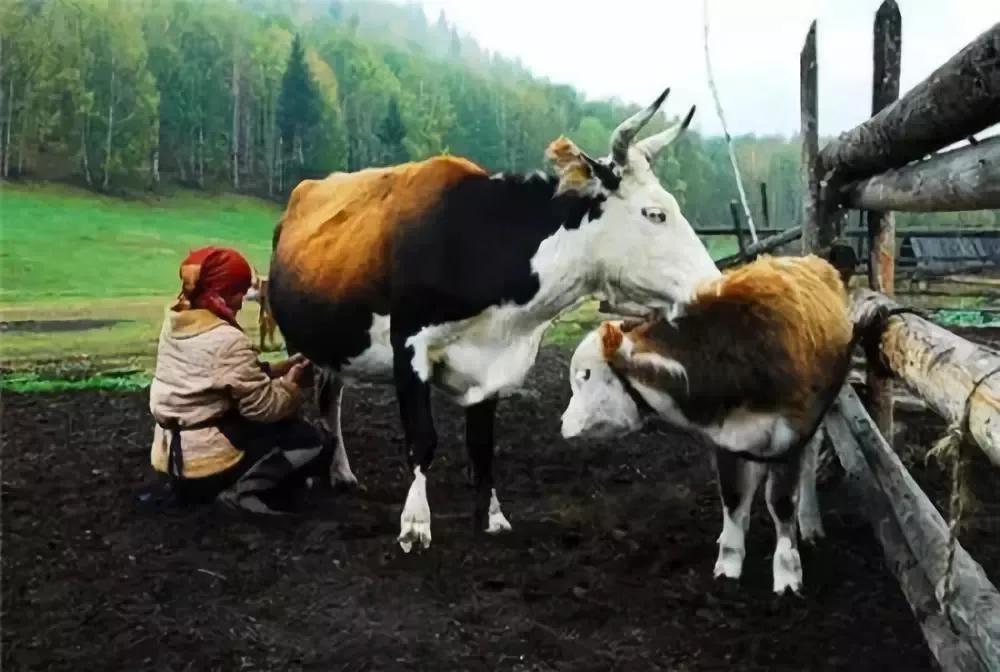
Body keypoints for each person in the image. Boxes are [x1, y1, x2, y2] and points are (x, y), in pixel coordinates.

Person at [146, 245, 322, 515]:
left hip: (170, 458)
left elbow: (219, 375)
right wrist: (293, 383)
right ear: (221, 292)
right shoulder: (227, 340)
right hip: (204, 466)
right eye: (237, 293)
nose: (242, 301)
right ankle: (242, 491)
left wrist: (279, 368)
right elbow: (265, 408)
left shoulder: (176, 321)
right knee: (307, 439)